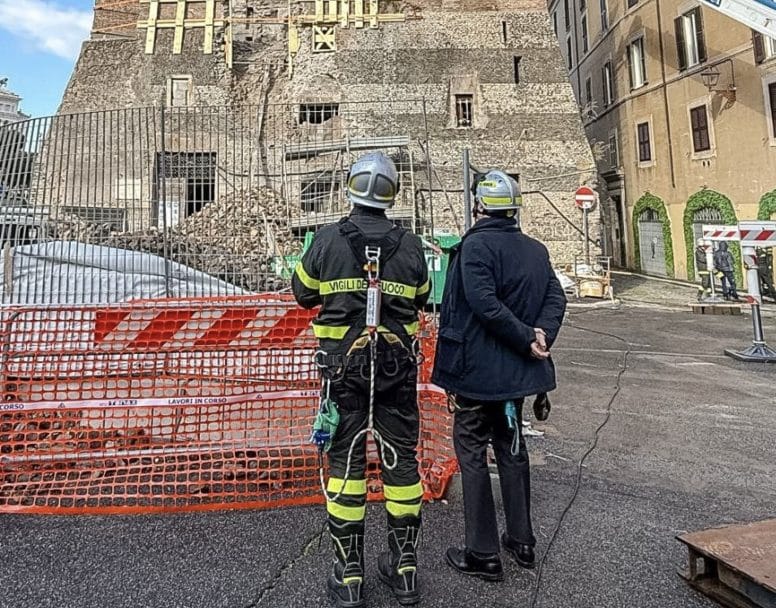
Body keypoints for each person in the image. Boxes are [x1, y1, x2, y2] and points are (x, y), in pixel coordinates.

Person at [292, 152, 430, 607]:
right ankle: (404, 568)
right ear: (393, 193)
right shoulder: (411, 246)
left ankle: (348, 573)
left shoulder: (327, 240)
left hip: (343, 376)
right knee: (402, 466)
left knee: (346, 468)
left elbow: (302, 293)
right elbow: (424, 297)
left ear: (349, 186)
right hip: (396, 375)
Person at [431, 170, 566, 581]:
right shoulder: (535, 249)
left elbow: (484, 305)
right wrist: (541, 336)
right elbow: (555, 296)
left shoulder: (475, 248)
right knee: (511, 447)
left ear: (478, 207)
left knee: (471, 453)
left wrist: (528, 337)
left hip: (477, 374)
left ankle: (482, 552)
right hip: (518, 376)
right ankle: (522, 541)